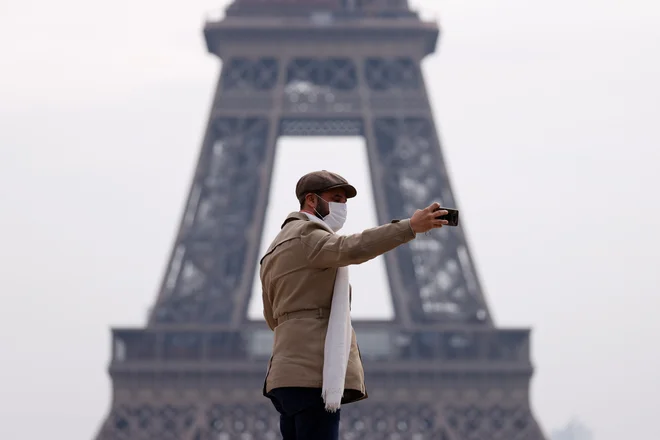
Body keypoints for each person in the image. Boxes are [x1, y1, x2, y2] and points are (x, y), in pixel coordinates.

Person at [259, 170, 449, 440]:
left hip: (284, 375)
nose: (342, 206)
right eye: (336, 198)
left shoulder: (273, 250)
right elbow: (351, 248)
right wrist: (409, 227)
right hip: (314, 372)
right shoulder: (308, 235)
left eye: (345, 200)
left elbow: (272, 317)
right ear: (311, 201)